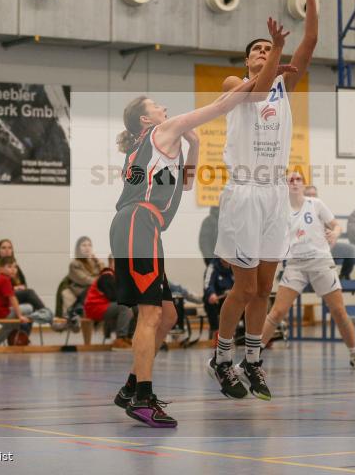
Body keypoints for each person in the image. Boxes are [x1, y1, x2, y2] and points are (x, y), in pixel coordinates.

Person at [109, 74, 262, 428]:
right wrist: (257, 79)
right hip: (138, 225)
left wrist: (194, 146)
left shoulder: (153, 145)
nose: (165, 107)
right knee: (149, 317)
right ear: (147, 119)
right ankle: (143, 398)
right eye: (157, 106)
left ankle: (131, 386)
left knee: (167, 316)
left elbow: (187, 182)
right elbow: (222, 105)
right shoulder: (161, 131)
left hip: (143, 227)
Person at [209, 0, 325, 402]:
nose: (264, 52)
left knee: (263, 288)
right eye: (257, 49)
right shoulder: (233, 83)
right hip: (243, 191)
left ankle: (252, 361)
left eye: (267, 48)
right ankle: (221, 358)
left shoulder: (283, 86)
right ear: (246, 59)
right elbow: (256, 90)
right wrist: (274, 56)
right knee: (242, 287)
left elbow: (311, 39)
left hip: (275, 192)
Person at [261, 171, 355, 369]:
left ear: (303, 184)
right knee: (277, 313)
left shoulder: (315, 204)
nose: (294, 182)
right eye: (290, 180)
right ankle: (252, 358)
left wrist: (334, 233)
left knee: (338, 310)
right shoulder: (279, 210)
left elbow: (336, 225)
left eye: (298, 179)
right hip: (296, 265)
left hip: (320, 262)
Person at [0, 257, 53, 346]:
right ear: (1, 268)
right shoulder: (4, 280)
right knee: (28, 308)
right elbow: (13, 299)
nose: (13, 270)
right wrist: (20, 316)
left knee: (15, 321)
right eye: (9, 267)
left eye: (15, 267)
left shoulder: (2, 279)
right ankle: (40, 317)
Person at [305, 184, 355, 279]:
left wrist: (334, 234)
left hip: (327, 246)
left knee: (351, 249)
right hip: (310, 249)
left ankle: (344, 276)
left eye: (314, 195)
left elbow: (338, 227)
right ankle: (324, 277)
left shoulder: (321, 210)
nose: (312, 197)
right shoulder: (298, 212)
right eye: (309, 195)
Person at [84, 265, 135, 348]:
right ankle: (120, 338)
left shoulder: (114, 276)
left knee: (135, 308)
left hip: (103, 306)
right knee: (125, 307)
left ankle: (129, 337)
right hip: (95, 308)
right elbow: (113, 297)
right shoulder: (107, 276)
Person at [56, 236, 103, 320]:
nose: (87, 247)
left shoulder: (95, 263)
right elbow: (85, 280)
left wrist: (100, 263)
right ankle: (76, 310)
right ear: (78, 248)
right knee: (93, 288)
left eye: (89, 245)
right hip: (82, 291)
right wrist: (102, 281)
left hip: (95, 290)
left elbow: (105, 275)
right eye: (84, 245)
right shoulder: (75, 264)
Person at [203, 258, 234, 339]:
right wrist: (211, 293)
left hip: (233, 298)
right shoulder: (212, 266)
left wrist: (233, 292)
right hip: (218, 299)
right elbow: (208, 284)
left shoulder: (236, 265)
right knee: (209, 301)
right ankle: (215, 331)